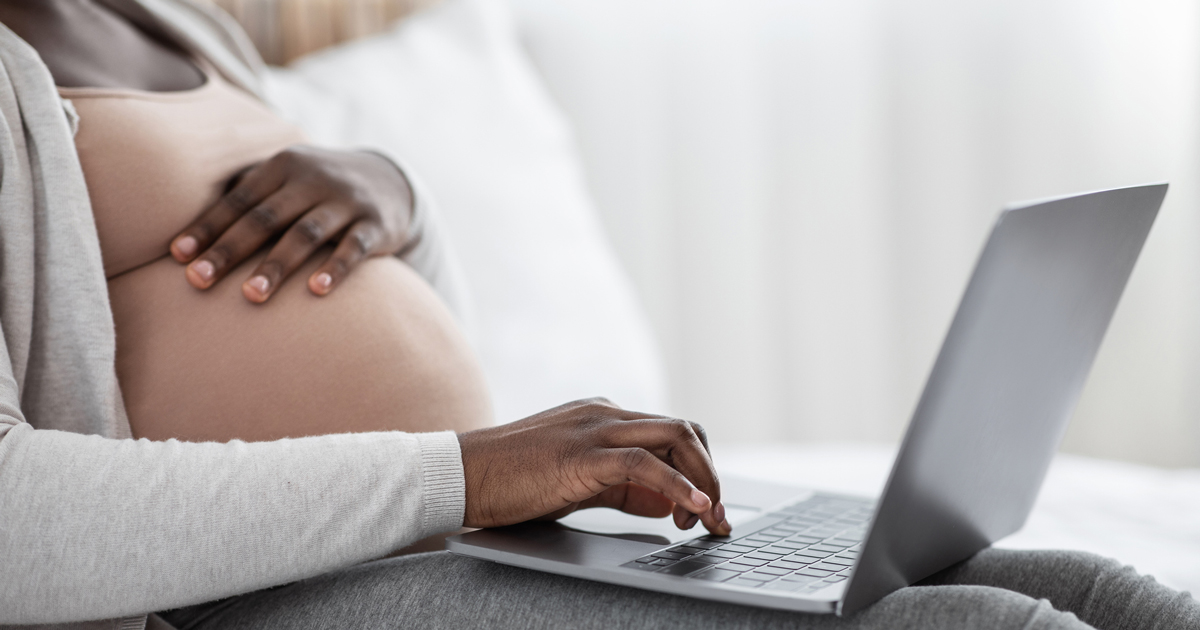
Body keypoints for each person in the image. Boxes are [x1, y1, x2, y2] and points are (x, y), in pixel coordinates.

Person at [0, 1, 1194, 629]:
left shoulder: (172, 21)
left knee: (1089, 588)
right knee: (974, 623)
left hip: (450, 538)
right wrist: (472, 475)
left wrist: (401, 202)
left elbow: (406, 333)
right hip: (243, 596)